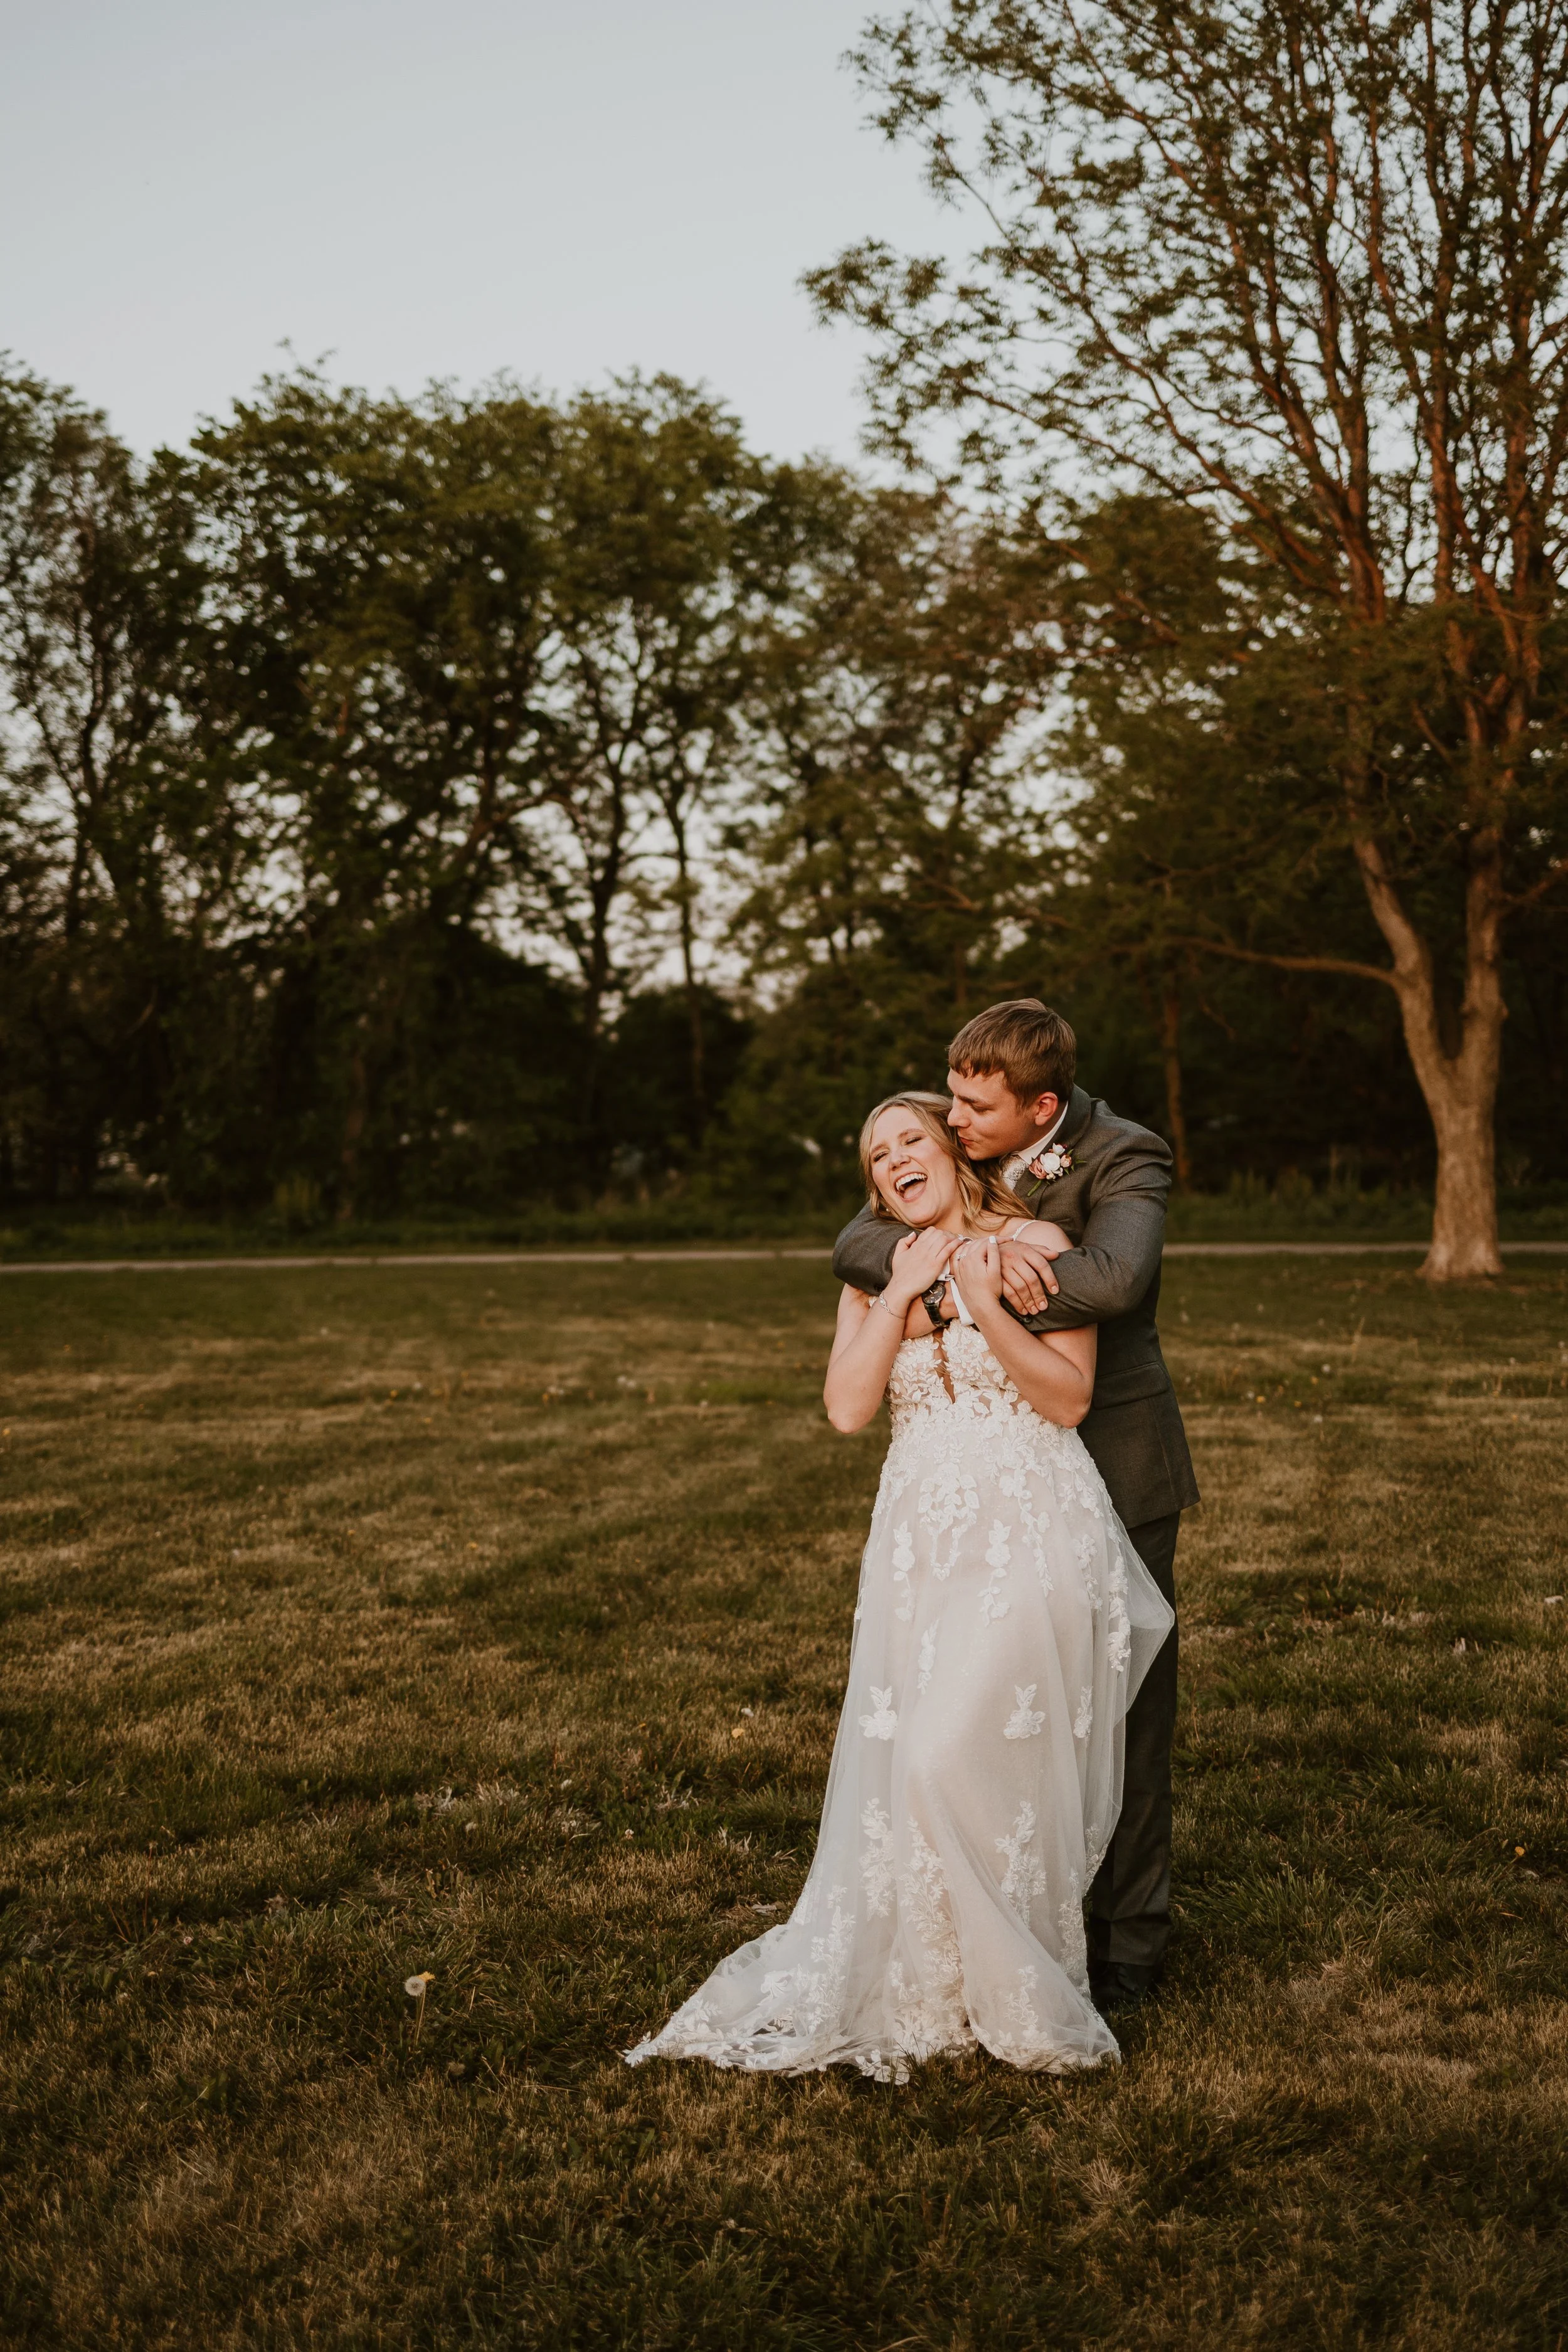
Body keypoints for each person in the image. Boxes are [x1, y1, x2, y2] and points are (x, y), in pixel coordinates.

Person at [626, 1092, 1173, 2079]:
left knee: (946, 1753)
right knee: (928, 1760)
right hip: (922, 1542)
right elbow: (846, 1406)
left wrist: (983, 1299)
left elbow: (1067, 1395)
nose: (894, 1161)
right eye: (877, 1156)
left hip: (1030, 1523)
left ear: (953, 1149)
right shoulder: (874, 1266)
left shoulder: (1036, 1242)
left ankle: (1022, 1974)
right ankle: (945, 1981)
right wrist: (901, 1294)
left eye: (910, 1138)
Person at [833, 1000, 1198, 2015]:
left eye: (971, 1104)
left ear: (1042, 1106)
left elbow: (1114, 1277)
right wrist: (946, 1279)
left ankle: (1129, 1947)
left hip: (1112, 1461)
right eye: (946, 1097)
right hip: (973, 1487)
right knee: (981, 1715)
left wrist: (977, 1281)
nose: (951, 1118)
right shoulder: (956, 1141)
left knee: (1123, 1709)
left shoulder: (1125, 1155)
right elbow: (860, 1240)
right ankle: (1020, 1916)